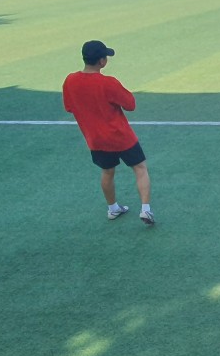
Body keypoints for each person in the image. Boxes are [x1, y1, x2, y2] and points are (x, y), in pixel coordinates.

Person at [62, 40, 155, 225]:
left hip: (95, 139)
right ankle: (145, 209)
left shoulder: (70, 81)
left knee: (107, 171)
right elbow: (130, 104)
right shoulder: (108, 83)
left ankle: (113, 208)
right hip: (121, 136)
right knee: (140, 168)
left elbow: (69, 107)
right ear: (102, 61)